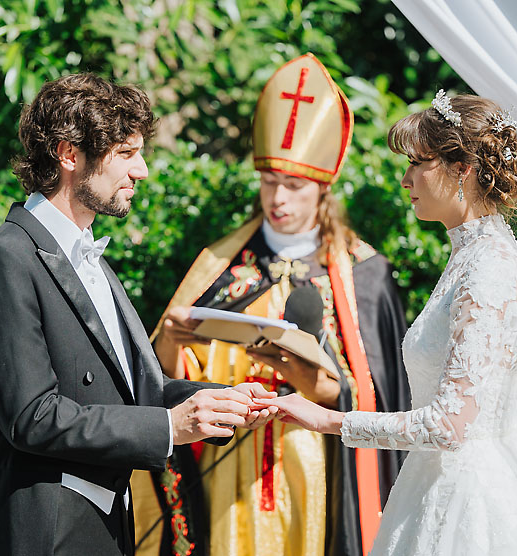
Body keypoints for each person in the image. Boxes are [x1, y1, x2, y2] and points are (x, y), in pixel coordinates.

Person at [259, 91, 517, 555]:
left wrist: (330, 420)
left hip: (473, 503)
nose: (406, 179)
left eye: (419, 163)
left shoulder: (489, 268)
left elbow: (450, 425)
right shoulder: (471, 257)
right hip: (437, 481)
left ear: (463, 169)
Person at [0, 73, 277, 556]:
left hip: (105, 527)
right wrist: (169, 428)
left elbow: (134, 391)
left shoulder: (90, 259)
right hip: (45, 535)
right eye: (126, 153)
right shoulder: (3, 259)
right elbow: (32, 417)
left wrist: (218, 401)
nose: (141, 170)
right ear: (68, 154)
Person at [130, 54, 410, 556]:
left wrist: (305, 377)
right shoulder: (219, 262)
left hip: (315, 469)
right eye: (268, 181)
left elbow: (377, 401)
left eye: (294, 185)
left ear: (323, 187)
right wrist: (171, 341)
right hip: (225, 471)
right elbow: (162, 382)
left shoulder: (364, 275)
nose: (278, 198)